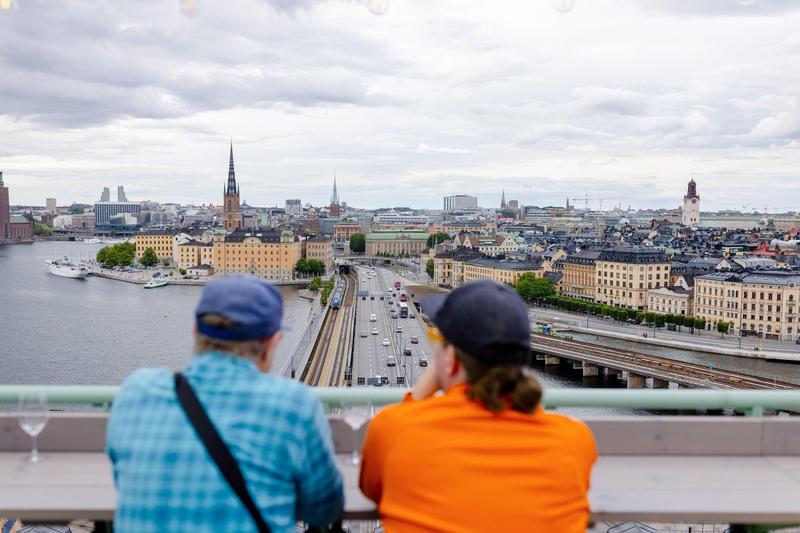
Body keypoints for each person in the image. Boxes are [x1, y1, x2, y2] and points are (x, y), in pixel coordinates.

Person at [107, 276, 343, 532]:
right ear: (271, 343)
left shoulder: (135, 393)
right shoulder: (295, 404)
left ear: (195, 332)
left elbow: (124, 481)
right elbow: (325, 507)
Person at [359, 279, 597, 533]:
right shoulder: (574, 440)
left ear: (451, 360)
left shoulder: (394, 430)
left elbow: (372, 489)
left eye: (436, 338)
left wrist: (428, 383)